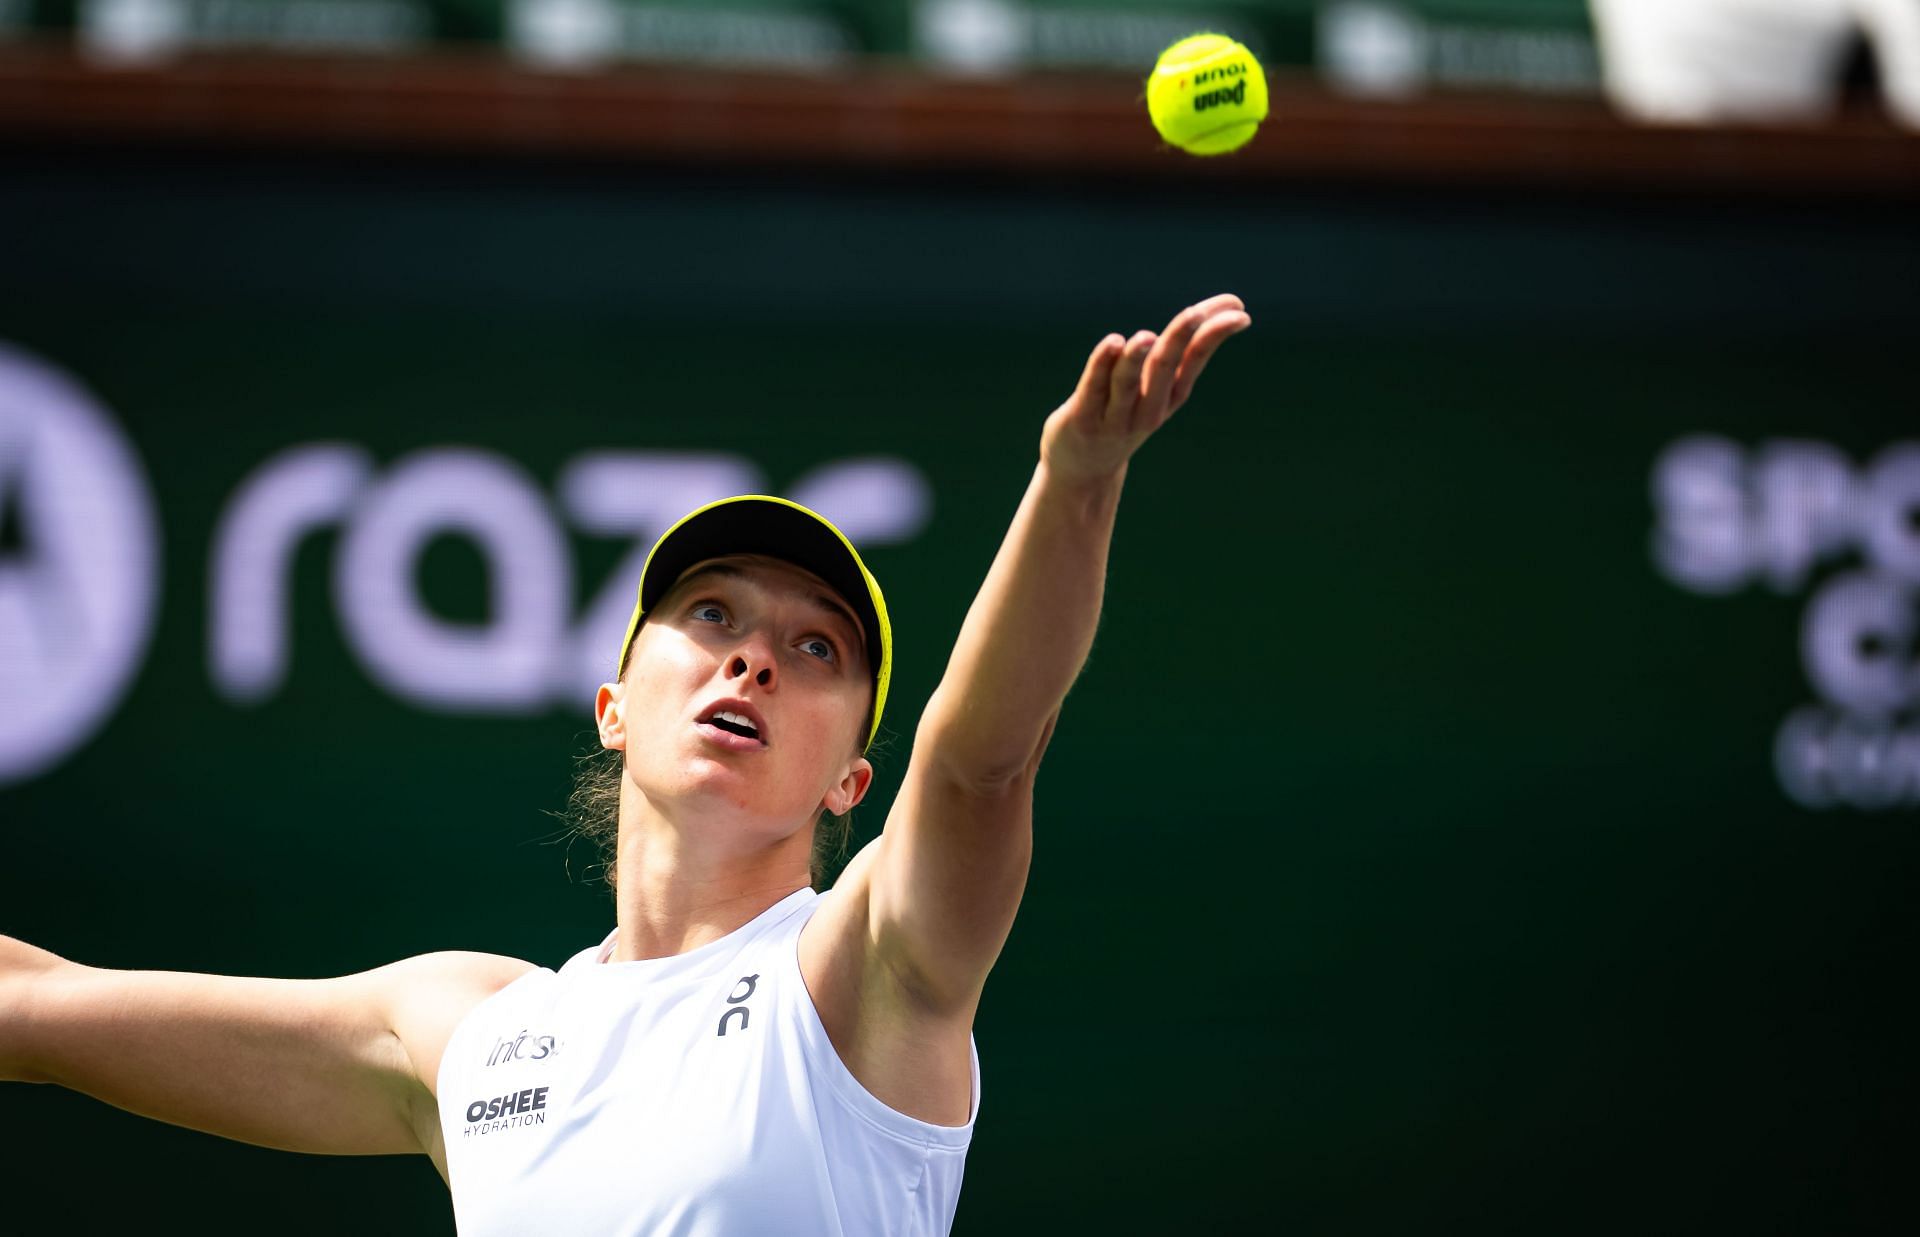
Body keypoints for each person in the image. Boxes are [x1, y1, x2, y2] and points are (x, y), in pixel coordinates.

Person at [0, 293, 1252, 1235]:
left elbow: (983, 763)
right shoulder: (470, 1031)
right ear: (612, 705)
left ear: (849, 785)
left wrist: (1074, 486)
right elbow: (45, 1010)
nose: (753, 659)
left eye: (815, 646)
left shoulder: (864, 980)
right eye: (712, 616)